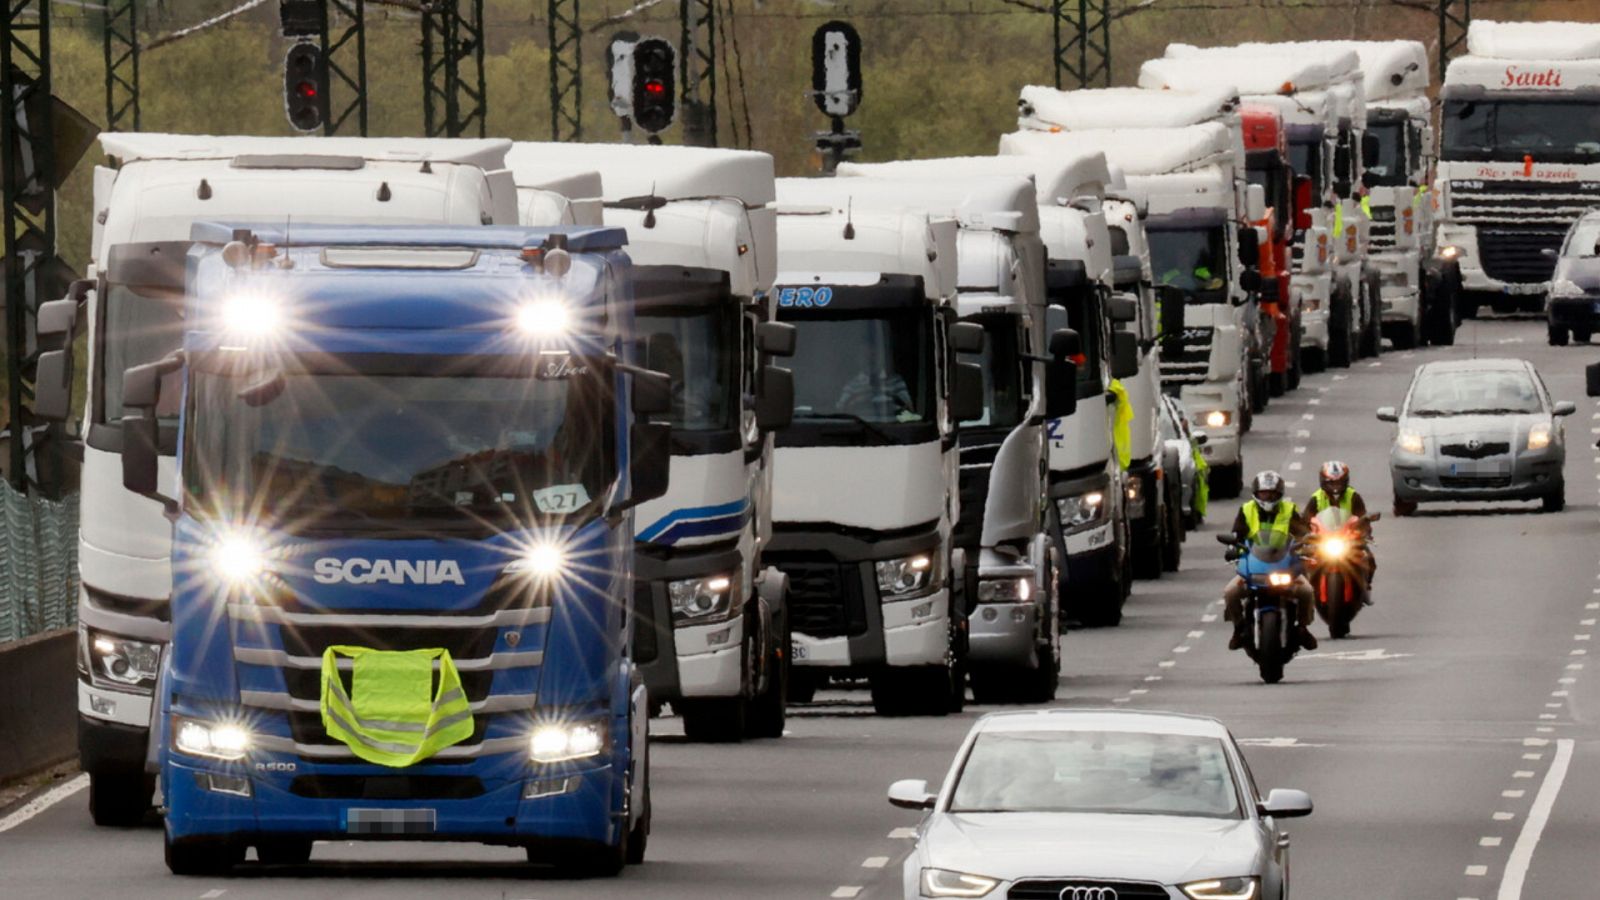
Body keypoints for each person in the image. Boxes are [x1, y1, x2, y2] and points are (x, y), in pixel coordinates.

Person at [1223, 470, 1317, 651]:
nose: (1268, 496)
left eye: (1272, 493)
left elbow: (1303, 533)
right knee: (1230, 592)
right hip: (1255, 564)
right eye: (1264, 493)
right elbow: (1237, 534)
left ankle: (1303, 628)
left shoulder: (1289, 510)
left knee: (1306, 591)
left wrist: (1309, 544)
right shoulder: (1246, 509)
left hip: (1284, 564)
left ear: (1279, 494)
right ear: (1256, 493)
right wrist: (1232, 548)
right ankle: (1239, 628)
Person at [1303, 460, 1375, 594]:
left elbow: (1363, 517)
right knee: (1305, 560)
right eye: (1331, 483)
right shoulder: (1316, 498)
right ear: (1324, 482)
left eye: (1339, 483)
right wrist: (1306, 536)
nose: (1335, 487)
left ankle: (1366, 585)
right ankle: (1310, 587)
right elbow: (1306, 519)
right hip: (1323, 539)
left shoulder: (1353, 496)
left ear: (1345, 481)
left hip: (1347, 538)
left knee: (1369, 558)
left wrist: (1365, 533)